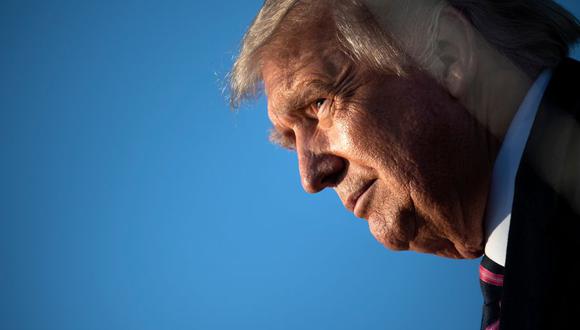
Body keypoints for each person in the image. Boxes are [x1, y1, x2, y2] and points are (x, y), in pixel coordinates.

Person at [229, 0, 580, 328]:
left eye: (319, 102)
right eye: (291, 141)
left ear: (448, 55)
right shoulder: (529, 262)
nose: (311, 175)